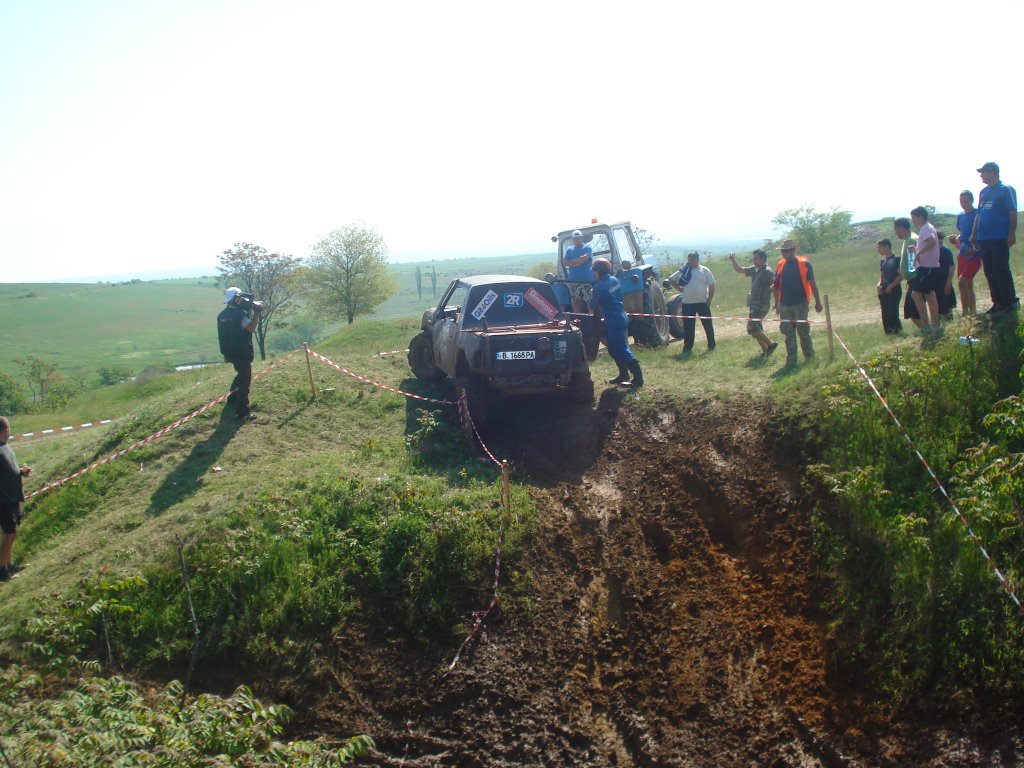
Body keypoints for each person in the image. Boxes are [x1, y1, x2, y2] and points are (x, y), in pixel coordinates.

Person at [970, 162, 1018, 314]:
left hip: (999, 237)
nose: (981, 176)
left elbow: (1012, 211)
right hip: (984, 238)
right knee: (989, 271)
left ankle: (1010, 302)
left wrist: (1011, 233)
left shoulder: (1005, 190)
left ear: (992, 172)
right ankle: (997, 302)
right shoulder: (983, 192)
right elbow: (979, 213)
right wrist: (974, 233)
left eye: (983, 172)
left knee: (1000, 269)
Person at [589, 258, 642, 387]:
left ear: (599, 272)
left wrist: (592, 293)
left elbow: (592, 305)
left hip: (613, 320)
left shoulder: (598, 287)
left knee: (622, 349)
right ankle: (623, 375)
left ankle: (638, 379)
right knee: (613, 348)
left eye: (594, 271)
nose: (593, 274)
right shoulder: (615, 280)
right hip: (621, 315)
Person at [772, 240, 822, 367]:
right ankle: (791, 362)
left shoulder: (805, 264)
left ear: (793, 250)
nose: (783, 253)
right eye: (782, 251)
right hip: (784, 305)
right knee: (788, 334)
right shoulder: (780, 265)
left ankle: (809, 357)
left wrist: (818, 302)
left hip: (800, 303)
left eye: (786, 251)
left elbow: (813, 285)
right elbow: (776, 286)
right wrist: (777, 303)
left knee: (803, 332)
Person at [217, 287, 262, 421]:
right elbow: (251, 328)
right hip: (241, 351)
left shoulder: (222, 315)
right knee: (244, 380)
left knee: (241, 373)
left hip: (228, 351)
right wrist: (257, 314)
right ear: (236, 298)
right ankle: (242, 412)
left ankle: (231, 399)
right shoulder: (240, 316)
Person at [728, 249, 778, 356]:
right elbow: (740, 270)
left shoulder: (767, 271)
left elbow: (775, 286)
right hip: (754, 304)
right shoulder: (755, 269)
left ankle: (770, 344)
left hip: (762, 305)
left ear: (763, 259)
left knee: (751, 327)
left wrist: (777, 302)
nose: (753, 260)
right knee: (757, 328)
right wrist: (733, 260)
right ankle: (766, 351)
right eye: (753, 258)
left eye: (756, 258)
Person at [0, 416, 31, 581]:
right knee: (10, 534)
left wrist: (21, 471)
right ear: (5, 429)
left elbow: (8, 471)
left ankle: (9, 565)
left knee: (11, 533)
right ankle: (2, 572)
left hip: (12, 498)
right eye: (9, 429)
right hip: (3, 501)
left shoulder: (6, 447)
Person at [670, 250, 716, 353]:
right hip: (687, 304)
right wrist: (679, 289)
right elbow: (671, 279)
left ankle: (711, 346)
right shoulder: (684, 270)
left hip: (702, 303)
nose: (691, 261)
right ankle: (687, 348)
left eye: (693, 259)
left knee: (707, 325)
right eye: (689, 259)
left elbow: (712, 285)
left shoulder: (704, 270)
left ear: (697, 259)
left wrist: (709, 300)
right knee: (688, 327)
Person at [909, 206, 940, 331]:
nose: (913, 221)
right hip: (929, 266)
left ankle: (927, 324)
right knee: (929, 294)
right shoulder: (927, 228)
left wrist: (919, 253)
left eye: (914, 218)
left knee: (916, 294)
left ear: (921, 217)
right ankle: (934, 324)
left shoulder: (926, 228)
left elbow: (932, 242)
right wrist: (916, 250)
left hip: (927, 267)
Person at [953, 190, 981, 316]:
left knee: (962, 281)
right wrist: (957, 239)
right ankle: (973, 313)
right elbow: (962, 232)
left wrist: (975, 249)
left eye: (966, 201)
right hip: (962, 253)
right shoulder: (960, 216)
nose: (963, 203)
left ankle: (965, 312)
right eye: (961, 201)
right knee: (968, 284)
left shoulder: (978, 214)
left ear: (972, 200)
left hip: (975, 254)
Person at [894, 217, 922, 328]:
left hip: (915, 279)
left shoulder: (911, 240)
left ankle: (928, 330)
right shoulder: (908, 239)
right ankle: (927, 330)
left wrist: (911, 276)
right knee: (912, 311)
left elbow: (914, 262)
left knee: (913, 312)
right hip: (912, 280)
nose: (895, 232)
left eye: (895, 229)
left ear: (901, 228)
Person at [563, 229, 595, 315]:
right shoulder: (569, 250)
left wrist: (572, 262)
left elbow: (584, 258)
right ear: (572, 240)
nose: (577, 240)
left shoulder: (587, 247)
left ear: (582, 238)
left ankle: (593, 322)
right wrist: (579, 261)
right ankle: (577, 323)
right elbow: (565, 262)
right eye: (575, 238)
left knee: (590, 303)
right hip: (573, 282)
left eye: (578, 238)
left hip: (587, 281)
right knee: (576, 303)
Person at [876, 238, 903, 334]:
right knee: (885, 314)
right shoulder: (882, 261)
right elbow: (882, 276)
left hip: (894, 290)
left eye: (880, 247)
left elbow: (901, 276)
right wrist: (879, 285)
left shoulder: (897, 259)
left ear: (887, 247)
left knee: (892, 313)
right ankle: (889, 334)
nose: (878, 250)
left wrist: (891, 286)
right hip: (883, 291)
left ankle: (898, 333)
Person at [935, 231, 956, 321]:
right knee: (937, 309)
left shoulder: (946, 251)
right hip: (934, 283)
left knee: (946, 309)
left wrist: (948, 284)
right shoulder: (931, 251)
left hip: (944, 282)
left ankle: (949, 326)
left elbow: (952, 267)